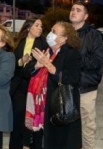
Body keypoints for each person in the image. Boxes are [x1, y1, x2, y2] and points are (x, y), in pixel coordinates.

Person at [25, 21, 83, 149]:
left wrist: (50, 66)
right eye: (51, 30)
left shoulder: (72, 54)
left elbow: (73, 79)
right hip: (41, 107)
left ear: (64, 38)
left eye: (54, 32)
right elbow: (29, 73)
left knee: (58, 142)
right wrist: (36, 66)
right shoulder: (46, 51)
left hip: (59, 107)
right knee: (41, 141)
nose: (50, 34)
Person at [69, 2, 103, 149]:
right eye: (72, 9)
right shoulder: (64, 32)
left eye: (78, 10)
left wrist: (74, 58)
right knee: (66, 125)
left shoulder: (93, 35)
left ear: (86, 16)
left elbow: (97, 61)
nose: (73, 12)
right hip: (66, 87)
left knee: (87, 127)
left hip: (85, 88)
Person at [9, 19, 46, 149]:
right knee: (17, 120)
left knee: (34, 123)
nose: (40, 28)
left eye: (41, 26)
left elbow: (40, 66)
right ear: (28, 27)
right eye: (37, 25)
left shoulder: (43, 43)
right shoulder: (19, 43)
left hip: (35, 87)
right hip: (19, 87)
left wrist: (28, 66)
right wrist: (21, 61)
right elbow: (13, 64)